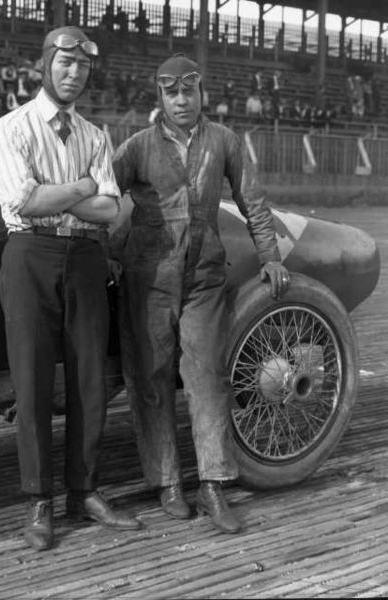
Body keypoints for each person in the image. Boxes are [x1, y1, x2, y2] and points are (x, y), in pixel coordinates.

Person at [111, 53, 290, 534]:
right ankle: (167, 482)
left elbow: (252, 200)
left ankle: (212, 484)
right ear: (160, 97)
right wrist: (108, 252)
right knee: (151, 376)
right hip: (147, 278)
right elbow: (105, 199)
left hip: (203, 277)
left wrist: (271, 255)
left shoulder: (225, 141)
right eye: (172, 93)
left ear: (202, 94)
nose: (182, 100)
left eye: (190, 91)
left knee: (207, 376)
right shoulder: (137, 147)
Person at [0, 25, 142, 552]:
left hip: (84, 258)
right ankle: (39, 500)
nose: (74, 74)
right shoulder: (10, 128)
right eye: (65, 64)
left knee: (89, 381)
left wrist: (63, 195)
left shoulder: (96, 136)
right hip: (30, 254)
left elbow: (111, 209)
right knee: (31, 381)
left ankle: (86, 490)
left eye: (82, 67)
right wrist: (81, 189)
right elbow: (22, 202)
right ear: (46, 65)